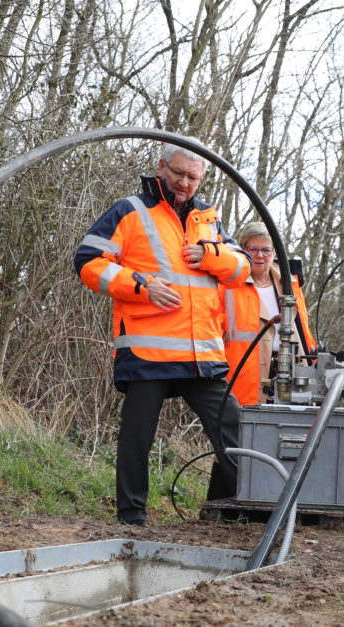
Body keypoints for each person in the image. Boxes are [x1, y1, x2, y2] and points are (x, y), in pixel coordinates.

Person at [74, 141, 251, 526]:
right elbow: (87, 261)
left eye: (193, 177)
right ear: (161, 167)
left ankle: (242, 508)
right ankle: (131, 517)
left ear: (203, 179)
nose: (184, 183)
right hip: (147, 351)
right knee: (137, 437)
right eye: (178, 173)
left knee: (235, 429)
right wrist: (140, 285)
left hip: (201, 353)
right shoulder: (130, 211)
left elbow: (242, 269)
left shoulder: (209, 220)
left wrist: (211, 256)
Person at [223, 222, 318, 406]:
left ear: (274, 253)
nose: (260, 255)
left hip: (289, 373)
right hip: (244, 376)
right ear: (242, 250)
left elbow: (302, 331)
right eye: (253, 249)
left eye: (266, 250)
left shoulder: (289, 284)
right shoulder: (231, 284)